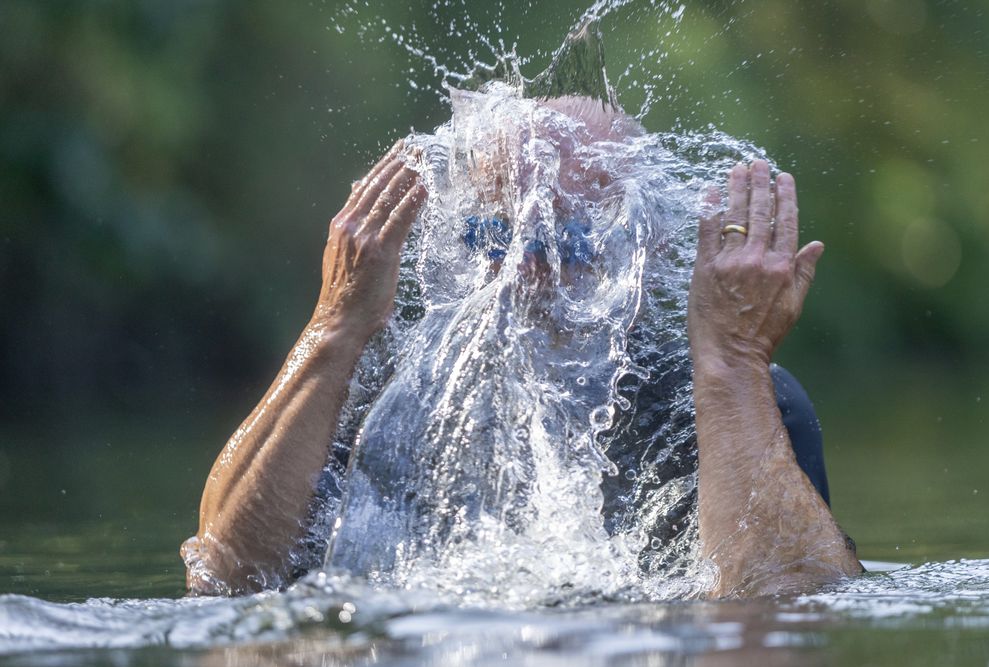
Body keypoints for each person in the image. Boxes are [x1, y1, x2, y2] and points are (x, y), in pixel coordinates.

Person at [182, 136, 862, 598]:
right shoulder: (393, 393)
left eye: (571, 238)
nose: (527, 269)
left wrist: (732, 362)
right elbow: (223, 574)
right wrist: (333, 328)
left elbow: (788, 603)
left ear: (642, 255)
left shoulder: (715, 402)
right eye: (497, 233)